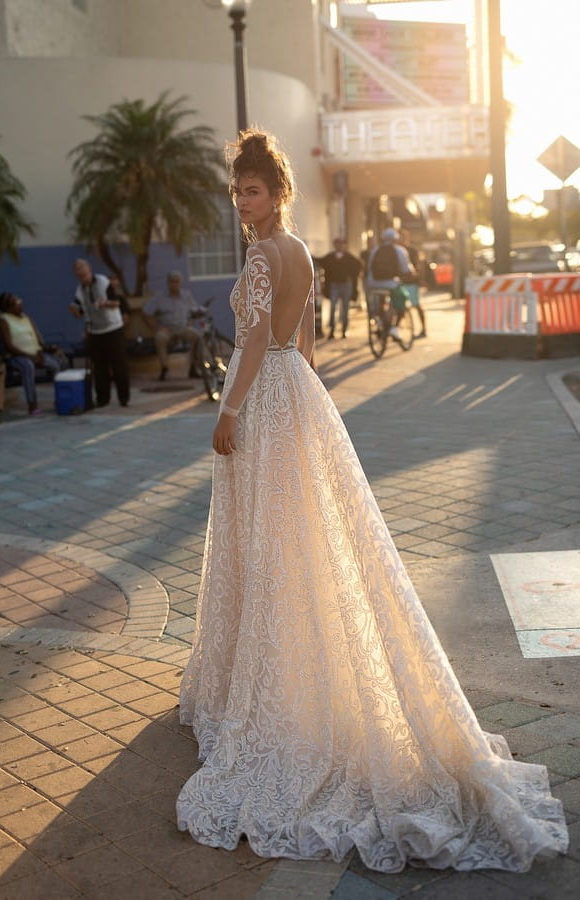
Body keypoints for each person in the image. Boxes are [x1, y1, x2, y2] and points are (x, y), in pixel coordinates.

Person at [176, 129, 568, 873]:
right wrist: (310, 406)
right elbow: (310, 343)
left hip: (266, 396)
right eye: (236, 191)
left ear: (278, 192)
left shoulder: (264, 254)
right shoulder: (304, 256)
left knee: (269, 541)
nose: (242, 202)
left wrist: (230, 411)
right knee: (300, 539)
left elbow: (258, 335)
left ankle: (271, 683)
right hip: (302, 398)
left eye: (252, 190)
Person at [0, 292, 68, 416]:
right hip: (15, 356)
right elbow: (9, 346)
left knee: (58, 364)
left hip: (35, 353)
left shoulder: (26, 318)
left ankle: (60, 400)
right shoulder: (3, 321)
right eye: (17, 302)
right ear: (8, 307)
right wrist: (29, 356)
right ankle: (32, 406)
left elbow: (38, 340)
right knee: (28, 366)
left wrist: (45, 349)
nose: (21, 303)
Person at [70, 259, 130, 408]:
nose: (81, 272)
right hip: (94, 331)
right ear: (76, 274)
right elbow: (79, 311)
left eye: (83, 268)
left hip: (112, 329)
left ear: (89, 269)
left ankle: (124, 398)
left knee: (119, 366)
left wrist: (105, 304)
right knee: (100, 368)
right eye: (77, 269)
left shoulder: (103, 281)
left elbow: (116, 302)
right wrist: (74, 311)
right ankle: (103, 399)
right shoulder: (79, 290)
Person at [141, 271, 200, 380]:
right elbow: (146, 313)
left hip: (183, 327)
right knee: (160, 338)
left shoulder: (186, 295)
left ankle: (193, 368)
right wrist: (155, 328)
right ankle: (164, 368)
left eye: (177, 282)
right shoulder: (160, 296)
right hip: (166, 328)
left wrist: (191, 322)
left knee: (197, 336)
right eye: (172, 281)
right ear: (168, 283)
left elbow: (194, 312)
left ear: (180, 283)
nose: (174, 284)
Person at [365, 227, 416, 343]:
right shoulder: (400, 250)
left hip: (373, 283)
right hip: (391, 283)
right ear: (396, 239)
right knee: (402, 298)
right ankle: (395, 327)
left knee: (379, 302)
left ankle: (380, 321)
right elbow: (406, 269)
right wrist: (411, 275)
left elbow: (369, 267)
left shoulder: (375, 250)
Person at [319, 237, 361, 339]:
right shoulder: (330, 257)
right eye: (338, 244)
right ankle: (332, 329)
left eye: (342, 244)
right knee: (333, 307)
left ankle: (344, 330)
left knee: (345, 308)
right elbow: (320, 261)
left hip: (346, 285)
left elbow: (358, 266)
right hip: (334, 285)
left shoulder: (349, 258)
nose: (340, 246)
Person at [400, 228, 427, 338]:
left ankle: (423, 329)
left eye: (403, 237)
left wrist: (419, 279)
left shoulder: (412, 251)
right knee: (399, 306)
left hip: (411, 282)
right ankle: (396, 329)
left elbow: (418, 266)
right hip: (400, 283)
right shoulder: (396, 250)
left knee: (416, 305)